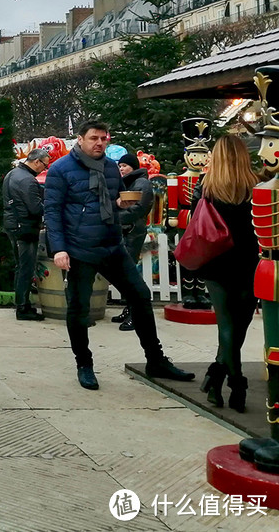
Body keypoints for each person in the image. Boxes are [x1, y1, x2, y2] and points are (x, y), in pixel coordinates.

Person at [44, 120, 194, 391]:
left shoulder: (112, 168)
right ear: (80, 139)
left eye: (103, 138)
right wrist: (59, 248)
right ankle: (84, 364)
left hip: (112, 245)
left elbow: (108, 202)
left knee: (140, 294)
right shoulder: (60, 169)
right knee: (79, 309)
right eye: (93, 138)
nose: (99, 143)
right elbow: (53, 211)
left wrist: (119, 204)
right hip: (80, 248)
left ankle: (155, 359)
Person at [191, 134, 259, 411]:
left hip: (216, 262)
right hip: (249, 263)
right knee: (238, 327)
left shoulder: (206, 187)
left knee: (227, 327)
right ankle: (233, 383)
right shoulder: (257, 185)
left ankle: (221, 379)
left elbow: (195, 222)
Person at [3, 148, 50, 321]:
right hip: (25, 227)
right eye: (44, 165)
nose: (44, 169)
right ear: (37, 161)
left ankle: (21, 303)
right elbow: (35, 208)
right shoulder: (28, 180)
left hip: (14, 225)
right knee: (26, 267)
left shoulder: (12, 174)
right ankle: (23, 307)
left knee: (20, 266)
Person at [112, 150, 154, 333]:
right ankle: (129, 308)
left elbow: (139, 208)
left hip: (133, 231)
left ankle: (135, 313)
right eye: (120, 166)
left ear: (133, 167)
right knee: (124, 273)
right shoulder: (128, 182)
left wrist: (116, 217)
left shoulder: (141, 183)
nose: (121, 169)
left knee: (130, 274)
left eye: (125, 166)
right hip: (125, 231)